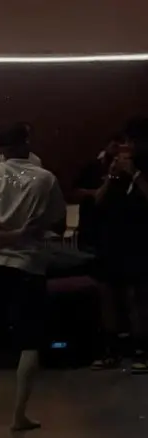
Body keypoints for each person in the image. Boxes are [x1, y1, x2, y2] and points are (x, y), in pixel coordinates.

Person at [0, 122, 66, 430]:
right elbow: (57, 222)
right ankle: (19, 414)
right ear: (26, 142)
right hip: (29, 264)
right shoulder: (44, 179)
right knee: (30, 341)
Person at [87, 117, 148, 373]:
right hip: (111, 237)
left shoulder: (142, 167)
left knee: (137, 296)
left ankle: (142, 348)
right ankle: (111, 347)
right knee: (108, 294)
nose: (128, 146)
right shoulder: (115, 168)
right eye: (126, 141)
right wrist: (112, 176)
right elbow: (98, 201)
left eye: (133, 141)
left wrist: (135, 174)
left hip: (140, 239)